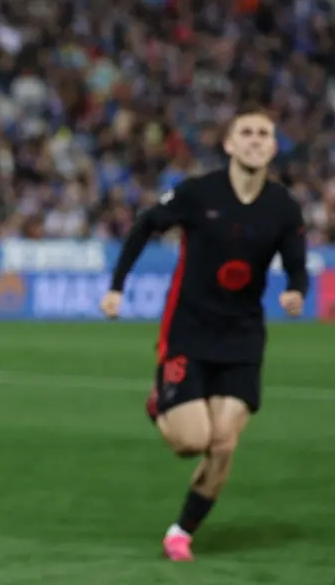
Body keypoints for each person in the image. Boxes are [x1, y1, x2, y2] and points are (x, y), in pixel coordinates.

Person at [100, 106, 308, 563]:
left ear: (274, 147)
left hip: (242, 337)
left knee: (224, 443)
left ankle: (181, 532)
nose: (255, 139)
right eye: (246, 132)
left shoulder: (283, 207)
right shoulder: (198, 193)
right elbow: (145, 224)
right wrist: (116, 286)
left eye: (264, 133)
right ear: (230, 144)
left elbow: (297, 264)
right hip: (189, 331)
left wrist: (296, 291)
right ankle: (159, 402)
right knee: (191, 442)